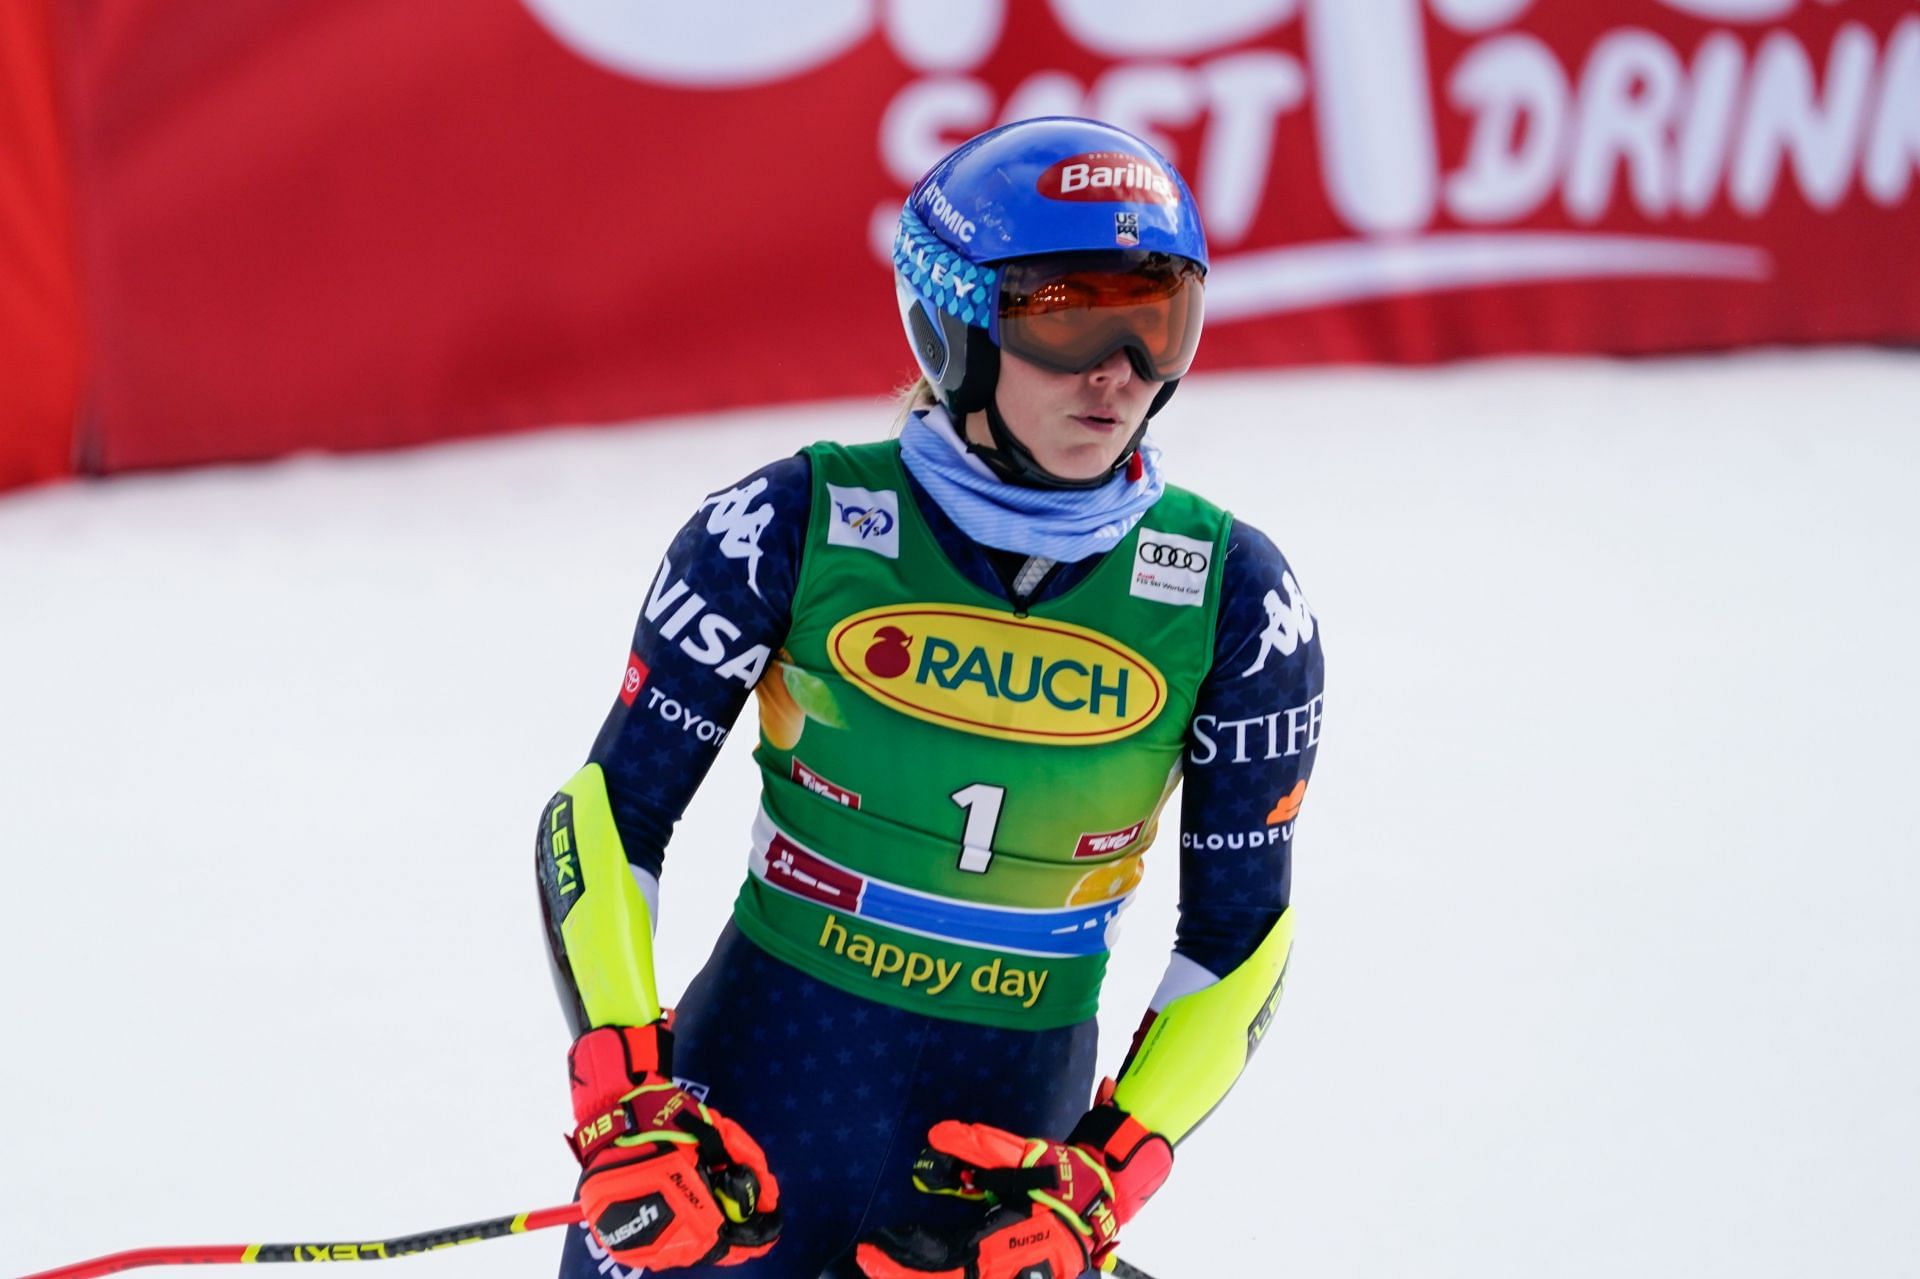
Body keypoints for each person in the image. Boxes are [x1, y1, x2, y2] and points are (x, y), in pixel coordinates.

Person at [536, 116, 1325, 1279]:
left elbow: (1240, 940)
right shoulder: (785, 526)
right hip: (742, 1113)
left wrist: (1105, 1177)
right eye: (1067, 320)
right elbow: (607, 821)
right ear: (951, 323)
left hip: (1007, 1161)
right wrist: (626, 1097)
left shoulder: (1236, 599)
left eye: (1156, 323)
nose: (1118, 372)